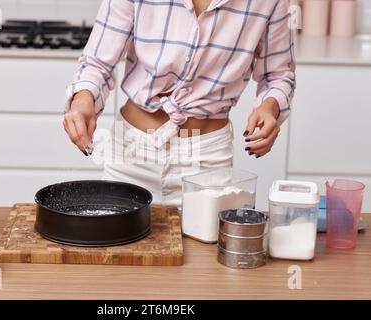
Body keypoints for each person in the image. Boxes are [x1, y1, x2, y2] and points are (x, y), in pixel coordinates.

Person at [63, 0, 295, 205]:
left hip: (208, 160)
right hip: (130, 154)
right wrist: (83, 99)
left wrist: (269, 106)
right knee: (119, 250)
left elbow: (278, 75)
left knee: (204, 253)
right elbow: (97, 63)